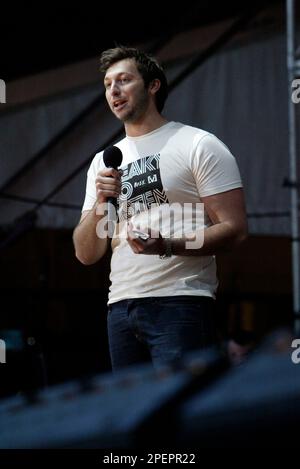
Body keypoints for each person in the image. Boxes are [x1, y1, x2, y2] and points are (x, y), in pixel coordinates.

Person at [73, 46, 248, 371]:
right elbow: (86, 253)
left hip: (181, 301)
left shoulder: (197, 144)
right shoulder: (103, 162)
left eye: (124, 80)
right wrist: (100, 204)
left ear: (153, 85)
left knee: (180, 413)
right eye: (108, 84)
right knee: (133, 416)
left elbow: (233, 230)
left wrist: (168, 244)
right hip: (120, 307)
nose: (114, 91)